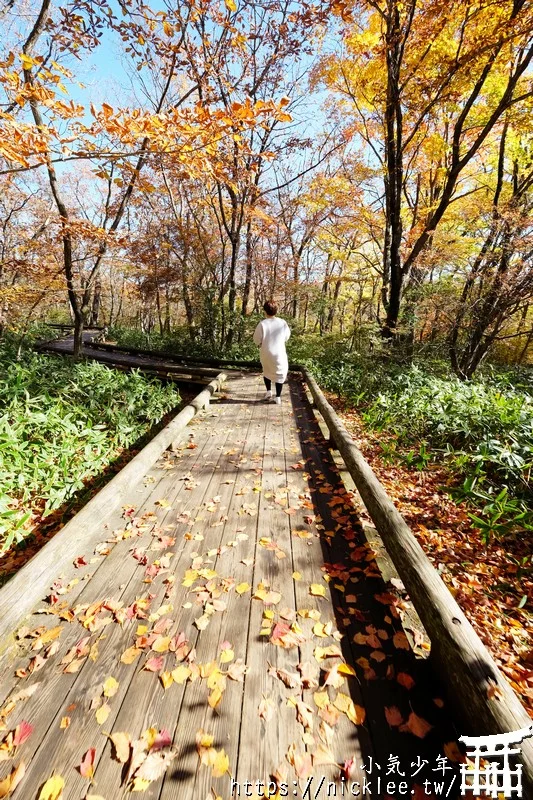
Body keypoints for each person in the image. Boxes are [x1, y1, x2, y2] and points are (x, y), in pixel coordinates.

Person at [253, 300, 291, 405]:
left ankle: (269, 392)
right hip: (279, 352)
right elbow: (287, 336)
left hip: (266, 352)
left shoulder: (262, 324)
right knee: (279, 373)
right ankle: (278, 397)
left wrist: (261, 343)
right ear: (276, 310)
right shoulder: (282, 323)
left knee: (267, 370)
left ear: (265, 311)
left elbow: (256, 339)